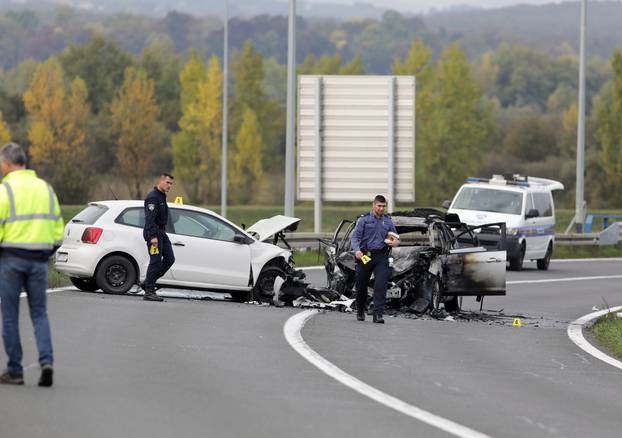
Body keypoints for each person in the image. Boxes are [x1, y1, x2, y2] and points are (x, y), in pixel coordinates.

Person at [0, 142, 63, 386]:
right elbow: (58, 230)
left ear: (7, 164)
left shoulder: (5, 190)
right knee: (39, 314)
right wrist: (46, 251)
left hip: (11, 260)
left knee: (10, 316)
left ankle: (15, 370)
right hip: (39, 261)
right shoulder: (45, 189)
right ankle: (46, 361)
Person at [351, 195, 400, 324]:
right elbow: (355, 238)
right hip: (365, 256)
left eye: (383, 206)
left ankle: (378, 314)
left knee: (381, 285)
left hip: (381, 257)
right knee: (361, 286)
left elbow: (395, 238)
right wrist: (357, 251)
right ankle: (360, 310)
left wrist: (395, 243)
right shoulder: (364, 220)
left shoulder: (388, 221)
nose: (381, 208)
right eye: (379, 206)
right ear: (373, 205)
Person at [141, 173, 175, 302]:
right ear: (160, 181)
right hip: (154, 233)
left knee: (169, 259)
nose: (169, 186)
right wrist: (153, 237)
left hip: (161, 233)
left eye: (171, 184)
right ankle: (149, 291)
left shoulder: (161, 196)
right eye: (167, 182)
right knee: (155, 262)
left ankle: (148, 283)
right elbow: (150, 219)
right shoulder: (153, 197)